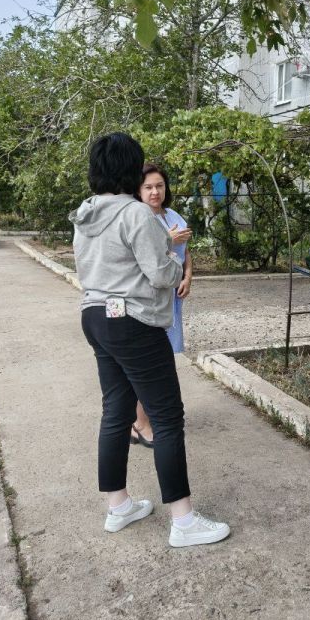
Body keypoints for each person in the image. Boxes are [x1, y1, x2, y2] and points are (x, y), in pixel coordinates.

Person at [70, 132, 229, 546]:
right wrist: (180, 273)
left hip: (95, 316)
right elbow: (160, 273)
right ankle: (184, 521)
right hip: (133, 322)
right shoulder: (136, 215)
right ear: (129, 168)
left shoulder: (84, 214)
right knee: (166, 417)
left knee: (116, 413)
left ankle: (118, 506)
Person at [130, 163, 193, 449]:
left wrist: (189, 277)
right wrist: (170, 239)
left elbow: (185, 253)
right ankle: (141, 423)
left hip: (173, 302)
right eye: (148, 187)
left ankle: (153, 417)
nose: (155, 192)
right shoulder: (138, 218)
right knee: (149, 364)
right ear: (138, 190)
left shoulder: (173, 215)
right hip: (149, 303)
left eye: (159, 186)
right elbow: (141, 259)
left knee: (164, 361)